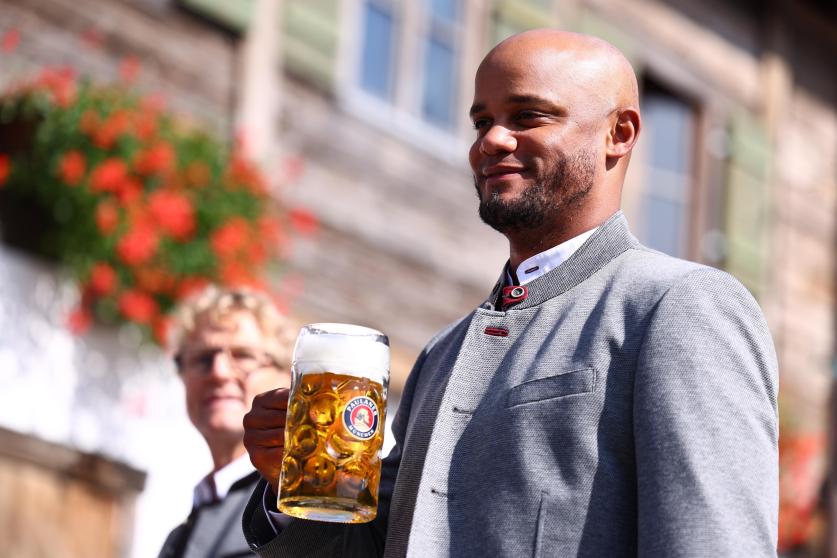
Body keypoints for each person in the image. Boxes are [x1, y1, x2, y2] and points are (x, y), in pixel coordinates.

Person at [241, 29, 779, 557]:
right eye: (482, 121)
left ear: (620, 133)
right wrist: (290, 494)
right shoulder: (441, 353)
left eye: (528, 116)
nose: (491, 140)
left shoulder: (681, 305)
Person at [158, 286, 294, 558]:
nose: (219, 372)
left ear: (288, 378)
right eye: (202, 358)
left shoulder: (294, 510)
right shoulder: (179, 536)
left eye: (244, 355)